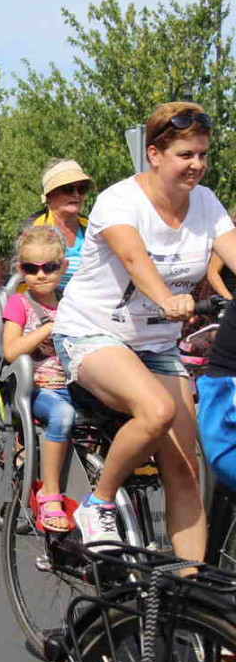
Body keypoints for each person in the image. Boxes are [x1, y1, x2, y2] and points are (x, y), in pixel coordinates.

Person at [53, 102, 236, 557]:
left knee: (185, 471)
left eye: (202, 154)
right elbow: (136, 260)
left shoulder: (207, 203)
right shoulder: (119, 201)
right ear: (155, 154)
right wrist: (167, 298)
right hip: (94, 334)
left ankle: (191, 605)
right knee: (156, 410)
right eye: (186, 155)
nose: (197, 165)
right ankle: (97, 505)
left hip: (155, 345)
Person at [2, 227, 74, 532]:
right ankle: (50, 493)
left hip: (75, 383)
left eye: (50, 267)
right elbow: (9, 351)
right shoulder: (19, 304)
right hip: (37, 388)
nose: (41, 275)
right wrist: (46, 329)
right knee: (62, 415)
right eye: (31, 268)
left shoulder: (71, 301)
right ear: (21, 269)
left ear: (63, 267)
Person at [22, 159, 94, 290]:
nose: (76, 194)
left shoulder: (92, 229)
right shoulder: (34, 228)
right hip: (43, 304)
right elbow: (23, 277)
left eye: (82, 189)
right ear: (49, 195)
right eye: (68, 189)